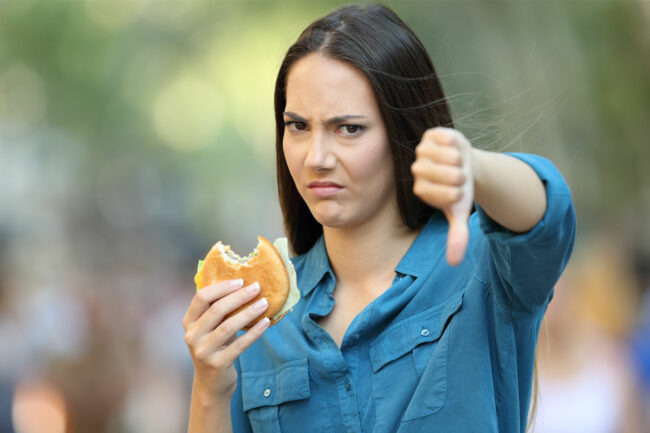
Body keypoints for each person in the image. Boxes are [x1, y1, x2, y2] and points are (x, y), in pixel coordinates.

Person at [182, 3, 577, 433]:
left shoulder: (482, 268)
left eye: (348, 128)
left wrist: (474, 167)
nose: (316, 158)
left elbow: (548, 214)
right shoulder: (259, 315)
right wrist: (209, 389)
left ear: (403, 131)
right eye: (297, 126)